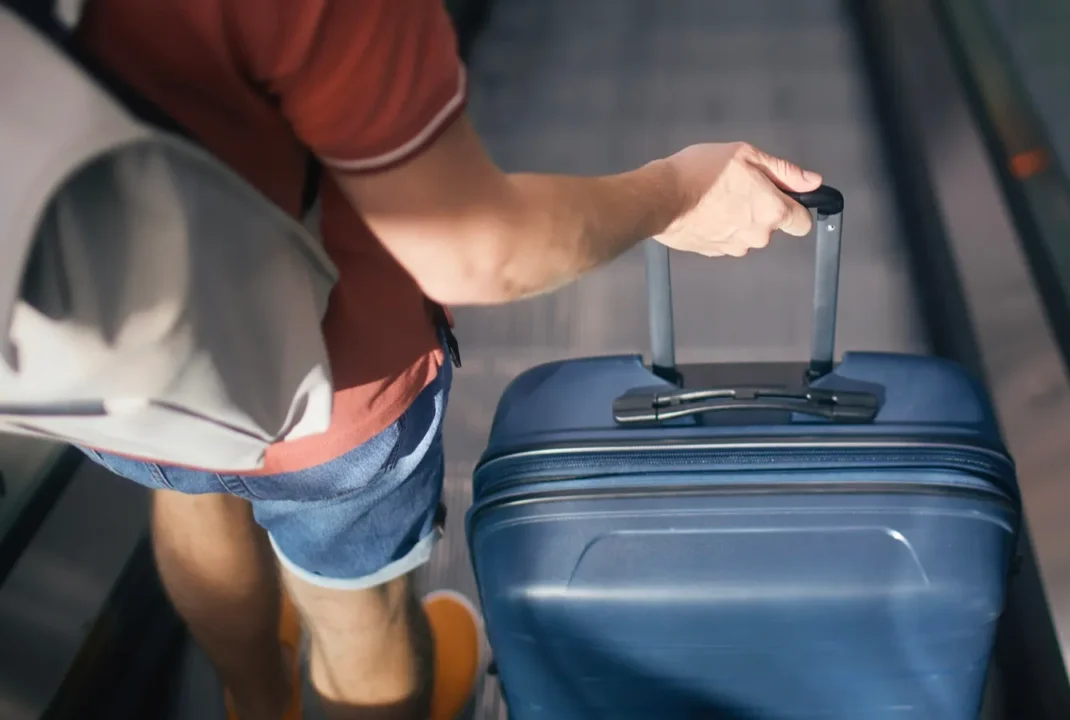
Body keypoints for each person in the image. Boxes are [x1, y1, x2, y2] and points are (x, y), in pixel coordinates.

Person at [72, 1, 823, 719]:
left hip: (109, 354)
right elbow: (479, 254)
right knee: (356, 613)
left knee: (190, 486)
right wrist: (677, 191)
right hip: (332, 389)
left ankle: (260, 704)